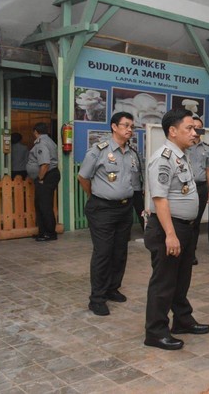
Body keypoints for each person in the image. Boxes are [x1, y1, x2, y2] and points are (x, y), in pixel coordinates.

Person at [144, 108, 209, 350]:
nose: (195, 133)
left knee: (181, 279)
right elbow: (160, 199)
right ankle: (155, 332)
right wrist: (170, 235)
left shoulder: (181, 156)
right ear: (172, 131)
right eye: (189, 128)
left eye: (195, 129)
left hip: (185, 228)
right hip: (168, 229)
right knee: (164, 282)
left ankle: (182, 319)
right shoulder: (163, 157)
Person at [78, 112, 137, 316]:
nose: (130, 129)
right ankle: (97, 299)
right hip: (102, 208)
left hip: (124, 208)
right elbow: (83, 177)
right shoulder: (98, 150)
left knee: (120, 251)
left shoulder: (131, 153)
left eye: (132, 126)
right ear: (114, 127)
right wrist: (97, 196)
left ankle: (113, 288)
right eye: (126, 125)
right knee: (103, 252)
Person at [26, 123, 60, 241]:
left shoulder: (41, 143)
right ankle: (43, 231)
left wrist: (40, 178)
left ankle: (50, 233)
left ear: (35, 131)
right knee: (41, 205)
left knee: (44, 206)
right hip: (49, 175)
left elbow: (45, 164)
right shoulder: (49, 140)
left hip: (46, 176)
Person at [189, 115, 209, 265]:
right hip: (186, 188)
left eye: (199, 127)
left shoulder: (207, 148)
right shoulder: (184, 146)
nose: (196, 130)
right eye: (193, 127)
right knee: (185, 221)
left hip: (201, 188)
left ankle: (191, 252)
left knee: (196, 223)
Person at [129, 142, 145, 233]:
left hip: (136, 188)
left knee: (141, 210)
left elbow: (142, 169)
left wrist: (144, 186)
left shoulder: (135, 153)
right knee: (126, 213)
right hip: (124, 189)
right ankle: (125, 234)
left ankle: (146, 229)